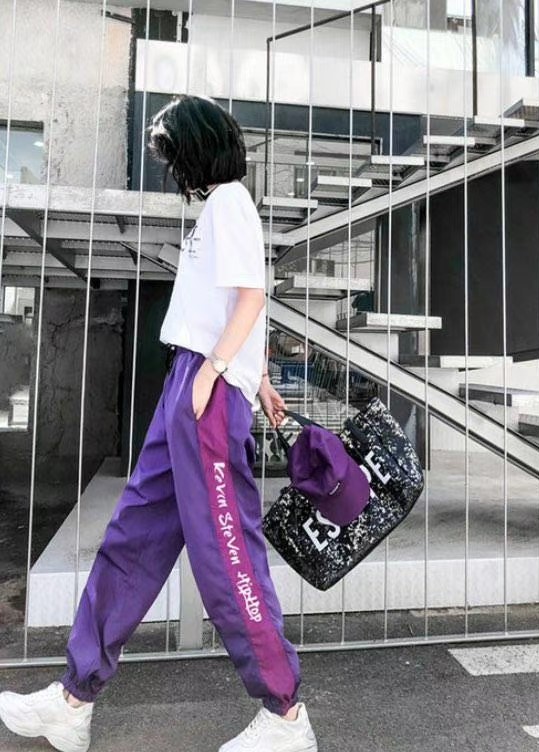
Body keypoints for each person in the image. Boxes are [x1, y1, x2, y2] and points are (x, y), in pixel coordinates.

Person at [0, 95, 318, 752]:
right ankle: (74, 698)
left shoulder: (230, 202)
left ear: (198, 148)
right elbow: (234, 303)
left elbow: (253, 294)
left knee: (225, 555)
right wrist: (255, 376)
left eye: (175, 155)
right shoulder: (217, 209)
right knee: (133, 538)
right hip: (194, 380)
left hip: (204, 386)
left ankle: (286, 716)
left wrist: (221, 371)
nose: (174, 170)